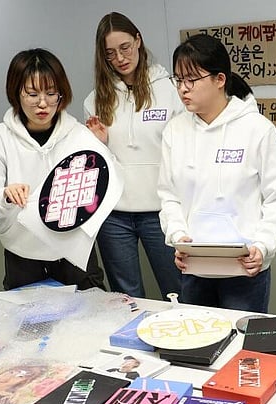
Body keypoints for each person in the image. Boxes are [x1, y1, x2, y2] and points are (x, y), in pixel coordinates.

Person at [158, 34, 276, 313]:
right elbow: (168, 195)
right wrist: (177, 234)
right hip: (194, 267)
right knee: (195, 347)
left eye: (192, 80)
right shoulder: (175, 130)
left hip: (244, 268)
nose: (183, 89)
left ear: (220, 79)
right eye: (178, 80)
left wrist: (262, 245)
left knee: (242, 351)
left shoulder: (257, 129)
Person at [0, 48, 106, 291]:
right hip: (23, 255)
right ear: (15, 92)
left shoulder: (79, 136)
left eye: (52, 93)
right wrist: (4, 196)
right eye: (32, 94)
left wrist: (102, 150)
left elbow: (102, 194)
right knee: (31, 326)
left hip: (75, 254)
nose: (43, 103)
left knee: (90, 324)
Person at [84, 12, 184, 299]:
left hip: (161, 210)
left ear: (138, 40)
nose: (120, 58)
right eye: (110, 53)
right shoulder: (95, 100)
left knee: (178, 291)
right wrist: (100, 143)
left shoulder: (171, 91)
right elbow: (97, 163)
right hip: (113, 214)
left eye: (125, 47)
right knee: (126, 297)